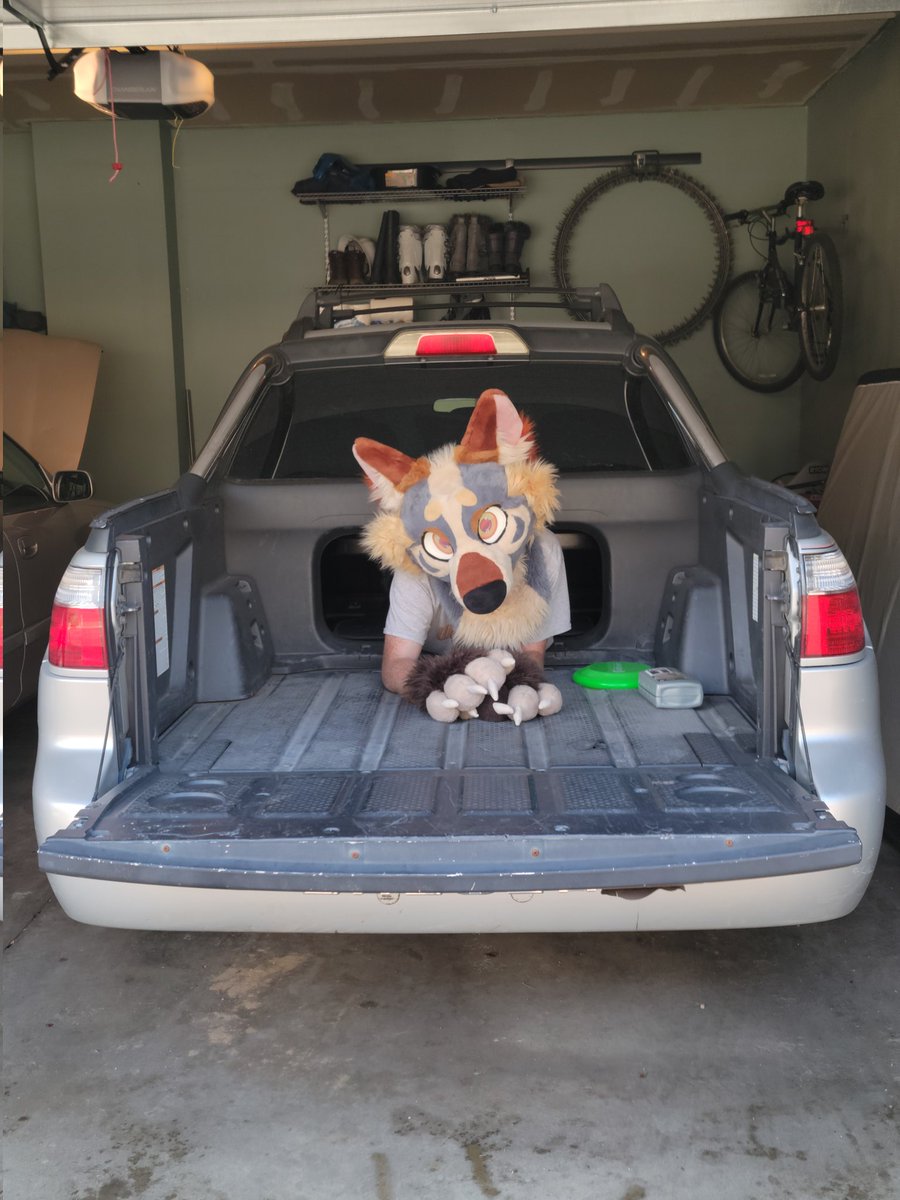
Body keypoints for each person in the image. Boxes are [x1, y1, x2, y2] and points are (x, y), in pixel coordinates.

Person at [381, 528, 571, 694]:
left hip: (509, 663)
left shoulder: (542, 549)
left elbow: (532, 655)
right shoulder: (418, 558)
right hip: (441, 665)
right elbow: (397, 664)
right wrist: (451, 689)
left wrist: (505, 690)